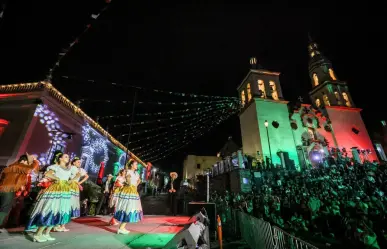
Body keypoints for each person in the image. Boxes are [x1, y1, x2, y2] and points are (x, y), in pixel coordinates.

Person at [26, 152, 73, 243]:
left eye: (68, 157)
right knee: (51, 209)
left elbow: (70, 179)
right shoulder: (55, 167)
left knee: (58, 211)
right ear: (60, 159)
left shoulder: (68, 169)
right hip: (56, 190)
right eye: (66, 156)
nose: (68, 158)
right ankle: (38, 234)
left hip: (65, 192)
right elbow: (47, 174)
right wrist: (57, 179)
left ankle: (46, 233)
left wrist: (71, 181)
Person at [0, 154, 39, 230]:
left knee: (3, 208)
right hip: (9, 190)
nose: (28, 164)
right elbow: (30, 169)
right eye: (28, 162)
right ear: (23, 161)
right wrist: (35, 161)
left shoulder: (10, 166)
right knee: (5, 209)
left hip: (3, 189)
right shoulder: (20, 166)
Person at [55, 157, 88, 232]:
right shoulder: (73, 168)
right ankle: (60, 225)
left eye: (80, 162)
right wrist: (76, 182)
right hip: (71, 186)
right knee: (67, 204)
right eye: (78, 162)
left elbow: (86, 176)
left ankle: (61, 224)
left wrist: (79, 183)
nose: (80, 163)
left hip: (75, 186)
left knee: (69, 205)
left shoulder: (79, 169)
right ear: (74, 163)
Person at [114, 160, 143, 234]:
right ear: (131, 165)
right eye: (135, 164)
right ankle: (121, 228)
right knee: (128, 208)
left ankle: (122, 227)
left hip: (133, 191)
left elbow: (139, 180)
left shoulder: (136, 173)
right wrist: (129, 183)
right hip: (129, 191)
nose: (137, 165)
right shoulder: (129, 171)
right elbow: (127, 179)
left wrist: (135, 185)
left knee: (131, 209)